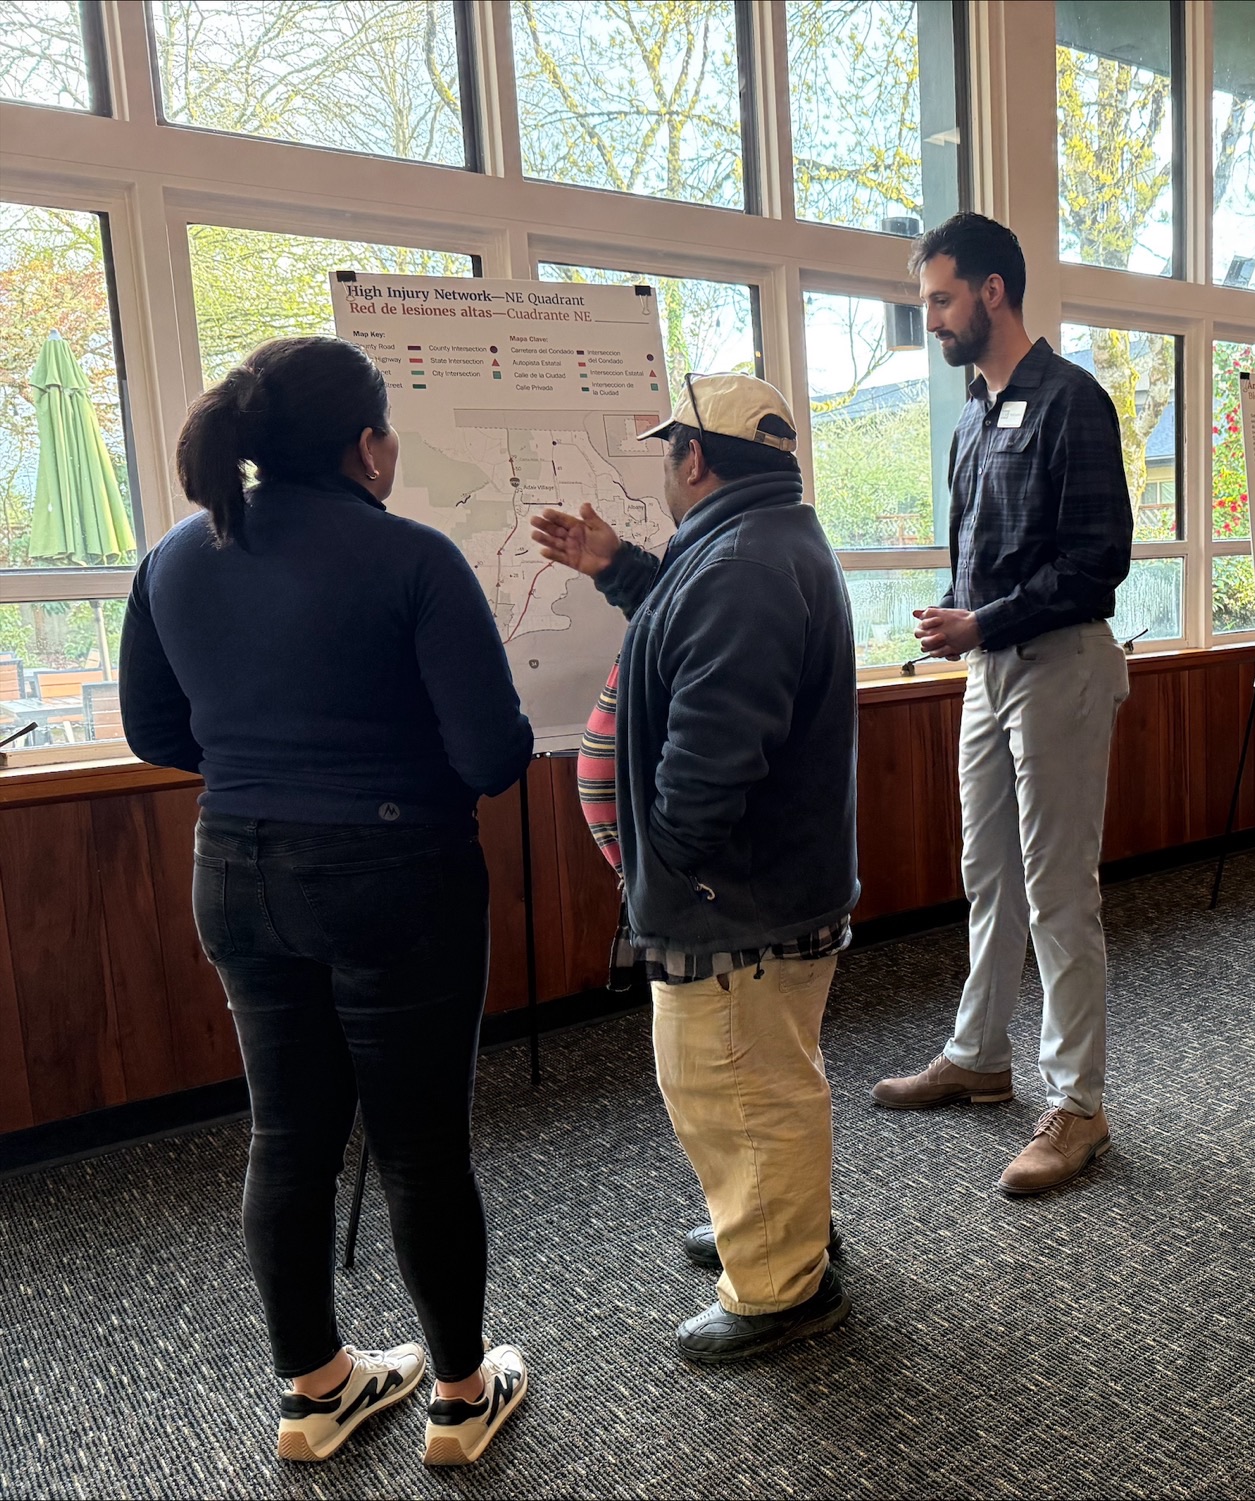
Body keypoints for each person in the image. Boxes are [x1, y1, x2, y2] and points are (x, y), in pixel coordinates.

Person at [119, 337, 533, 1466]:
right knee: (420, 1149)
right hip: (397, 876)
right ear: (366, 445)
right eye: (389, 429)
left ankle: (315, 1391)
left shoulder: (173, 558)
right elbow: (493, 753)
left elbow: (156, 731)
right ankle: (457, 1396)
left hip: (235, 871)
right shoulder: (413, 558)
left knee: (288, 1136)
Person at [528, 373, 859, 1363]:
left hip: (730, 900)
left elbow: (716, 754)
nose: (663, 467)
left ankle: (779, 1286)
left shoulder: (745, 565)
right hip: (755, 893)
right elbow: (688, 630)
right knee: (762, 1076)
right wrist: (618, 565)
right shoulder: (749, 544)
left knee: (733, 1088)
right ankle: (779, 1222)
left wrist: (663, 871)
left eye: (666, 451)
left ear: (696, 458)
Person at [871, 212, 1133, 1197]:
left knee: (1058, 889)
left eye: (939, 298)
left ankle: (1078, 1103)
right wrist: (961, 616)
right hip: (987, 673)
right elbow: (980, 559)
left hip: (1057, 662)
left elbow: (1096, 566)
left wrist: (980, 623)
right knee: (986, 874)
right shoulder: (972, 418)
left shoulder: (1074, 403)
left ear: (990, 293)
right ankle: (979, 1056)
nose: (929, 319)